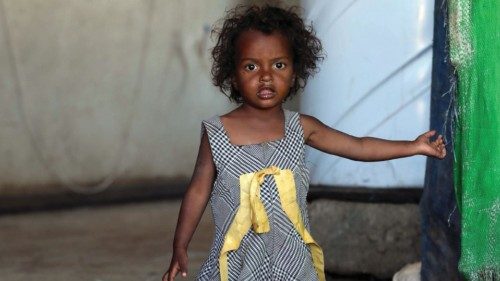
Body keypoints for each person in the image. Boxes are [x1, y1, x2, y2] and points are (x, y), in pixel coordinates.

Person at [163, 4, 446, 281]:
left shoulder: (302, 128)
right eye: (251, 66)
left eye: (279, 65)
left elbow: (359, 147)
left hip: (292, 265)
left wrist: (413, 146)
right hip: (239, 266)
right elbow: (198, 191)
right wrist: (180, 245)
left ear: (294, 72)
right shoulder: (217, 132)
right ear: (233, 77)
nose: (265, 76)